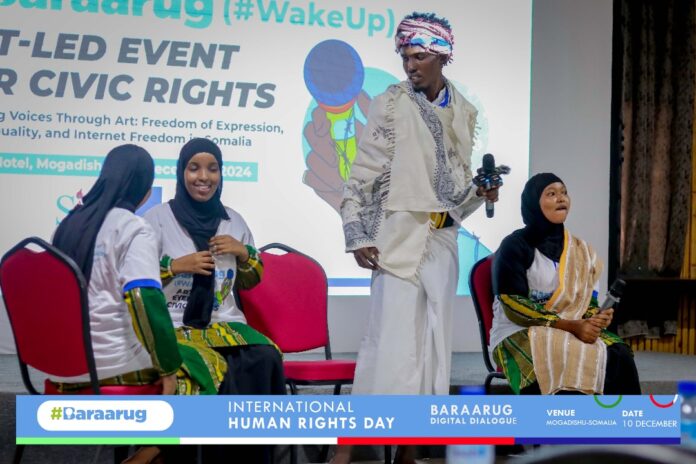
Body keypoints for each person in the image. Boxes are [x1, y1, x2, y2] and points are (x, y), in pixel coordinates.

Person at [336, 12, 498, 464]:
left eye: (421, 56)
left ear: (443, 55)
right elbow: (364, 173)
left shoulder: (463, 110)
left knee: (430, 354)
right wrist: (357, 234)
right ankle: (346, 454)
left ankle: (408, 453)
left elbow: (454, 196)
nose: (411, 64)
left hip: (443, 244)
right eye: (406, 56)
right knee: (386, 348)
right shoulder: (390, 103)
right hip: (397, 241)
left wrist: (480, 192)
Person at [51, 144, 227, 464]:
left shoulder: (68, 225)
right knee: (207, 364)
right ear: (145, 191)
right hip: (109, 364)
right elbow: (145, 300)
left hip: (61, 367)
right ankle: (146, 455)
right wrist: (167, 367)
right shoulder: (133, 228)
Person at [490, 173, 641, 395]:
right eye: (551, 194)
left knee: (619, 354)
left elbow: (587, 301)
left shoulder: (581, 250)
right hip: (520, 328)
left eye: (564, 193)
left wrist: (595, 317)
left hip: (573, 325)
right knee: (555, 356)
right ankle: (555, 427)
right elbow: (513, 305)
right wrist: (571, 327)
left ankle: (623, 426)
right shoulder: (514, 246)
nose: (561, 198)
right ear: (534, 203)